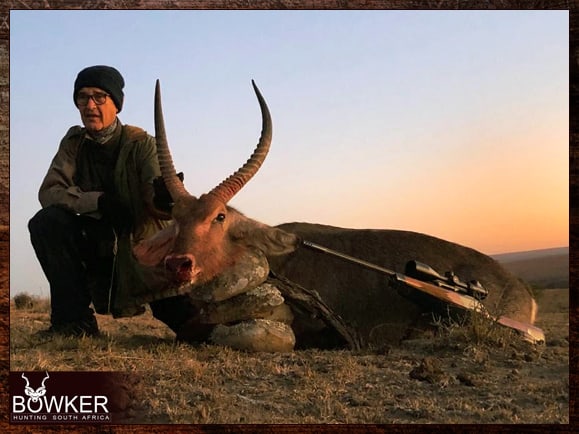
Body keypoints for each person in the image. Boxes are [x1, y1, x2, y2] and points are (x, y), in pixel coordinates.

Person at [28, 65, 195, 337]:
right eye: (82, 97)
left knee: (193, 328)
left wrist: (165, 199)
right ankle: (73, 323)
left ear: (117, 105)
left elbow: (158, 205)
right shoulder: (74, 143)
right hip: (99, 251)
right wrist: (98, 201)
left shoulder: (143, 144)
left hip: (143, 251)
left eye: (99, 97)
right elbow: (49, 192)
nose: (89, 105)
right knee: (47, 223)